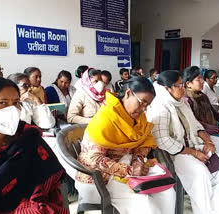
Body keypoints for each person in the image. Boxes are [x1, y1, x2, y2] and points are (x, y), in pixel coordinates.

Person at [75, 76, 175, 214]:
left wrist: (137, 160)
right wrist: (129, 170)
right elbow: (93, 159)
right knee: (145, 204)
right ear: (128, 93)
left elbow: (144, 141)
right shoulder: (106, 117)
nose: (143, 109)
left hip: (128, 168)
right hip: (98, 178)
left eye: (147, 105)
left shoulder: (138, 117)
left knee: (167, 192)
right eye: (142, 102)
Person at [146, 70, 219, 214]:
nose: (183, 88)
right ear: (167, 88)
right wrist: (193, 153)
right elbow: (162, 141)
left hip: (193, 146)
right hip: (174, 154)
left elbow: (197, 125)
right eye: (179, 85)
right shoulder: (159, 106)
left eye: (182, 85)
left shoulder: (182, 103)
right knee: (200, 174)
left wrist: (208, 142)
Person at [0, 77, 68, 213]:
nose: (12, 109)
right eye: (2, 103)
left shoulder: (28, 138)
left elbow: (51, 185)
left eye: (16, 102)